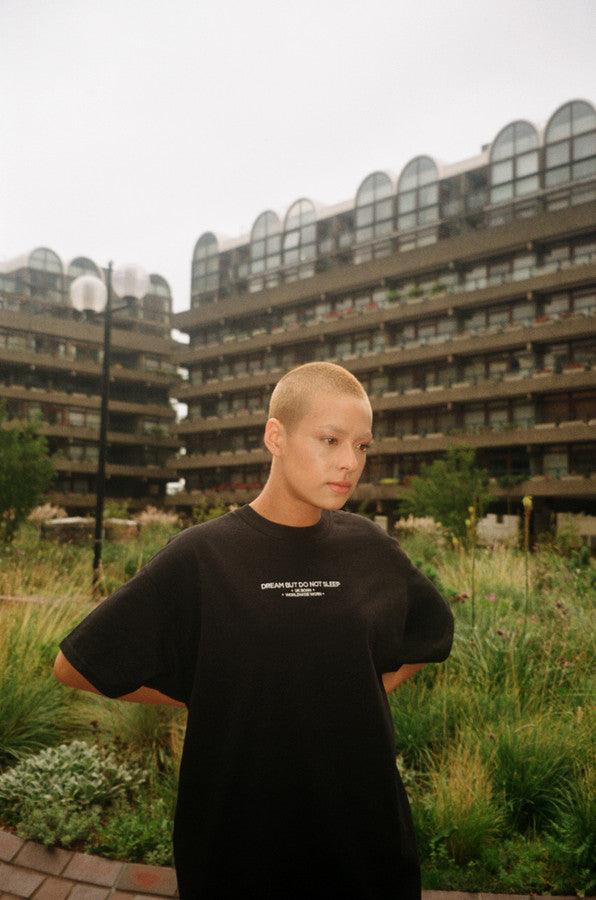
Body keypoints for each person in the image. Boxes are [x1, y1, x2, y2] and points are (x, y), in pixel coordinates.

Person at [54, 361, 455, 899]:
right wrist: (212, 696)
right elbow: (77, 665)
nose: (348, 463)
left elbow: (430, 635)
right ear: (276, 436)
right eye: (330, 440)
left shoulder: (372, 549)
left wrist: (360, 690)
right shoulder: (201, 556)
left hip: (364, 839)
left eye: (362, 446)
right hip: (238, 847)